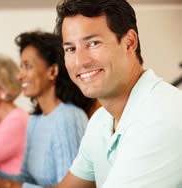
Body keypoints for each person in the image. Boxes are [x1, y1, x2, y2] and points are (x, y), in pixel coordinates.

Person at [0, 31, 98, 188]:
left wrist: (6, 185)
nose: (20, 75)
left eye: (27, 66)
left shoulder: (68, 118)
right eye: (21, 67)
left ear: (52, 71)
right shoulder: (36, 120)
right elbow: (27, 179)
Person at [54, 0, 182, 187]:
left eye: (93, 43)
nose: (80, 61)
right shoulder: (100, 121)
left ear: (129, 43)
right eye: (70, 49)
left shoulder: (162, 115)